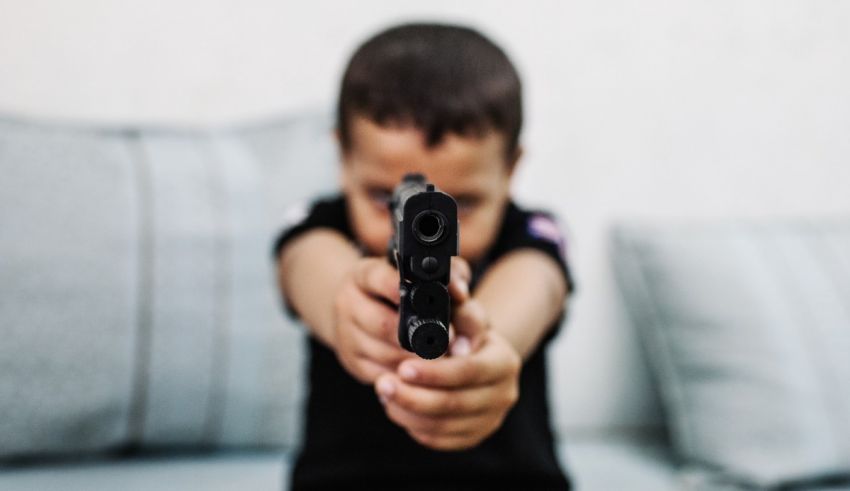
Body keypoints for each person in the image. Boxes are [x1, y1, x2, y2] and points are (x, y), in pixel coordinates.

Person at [274, 23, 575, 490]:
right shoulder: (321, 224)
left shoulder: (532, 232)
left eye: (462, 205)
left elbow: (538, 282)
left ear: (511, 168)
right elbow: (305, 262)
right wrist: (349, 308)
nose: (427, 230)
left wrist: (482, 347)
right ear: (342, 158)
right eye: (385, 199)